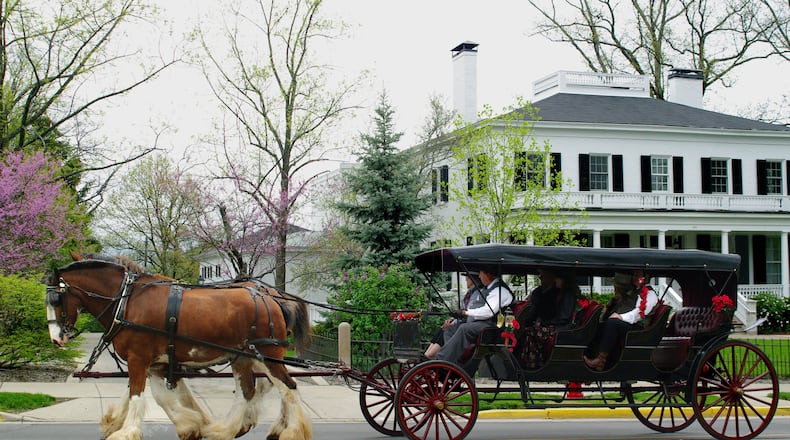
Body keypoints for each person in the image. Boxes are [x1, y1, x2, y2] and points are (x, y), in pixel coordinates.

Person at [434, 268, 514, 369]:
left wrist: (466, 312)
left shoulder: (500, 290)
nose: (479, 277)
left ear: (488, 274)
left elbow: (489, 311)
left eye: (480, 273)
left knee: (464, 329)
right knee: (451, 329)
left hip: (492, 325)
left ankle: (442, 361)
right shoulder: (488, 288)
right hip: (482, 323)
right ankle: (454, 362)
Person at [583, 270, 658, 371]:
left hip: (640, 329)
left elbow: (639, 313)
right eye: (634, 275)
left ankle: (601, 360)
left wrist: (621, 317)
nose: (635, 278)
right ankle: (591, 356)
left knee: (613, 323)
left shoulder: (650, 294)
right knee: (601, 325)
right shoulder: (635, 291)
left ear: (647, 277)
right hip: (630, 325)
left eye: (638, 275)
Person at [423, 272, 481, 359]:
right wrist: (452, 320)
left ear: (473, 279)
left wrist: (453, 323)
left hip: (467, 323)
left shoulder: (477, 294)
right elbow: (462, 310)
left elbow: (468, 313)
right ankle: (427, 355)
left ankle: (432, 356)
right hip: (461, 321)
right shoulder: (470, 293)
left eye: (467, 278)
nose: (465, 280)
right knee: (443, 328)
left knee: (448, 329)